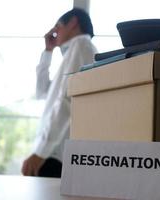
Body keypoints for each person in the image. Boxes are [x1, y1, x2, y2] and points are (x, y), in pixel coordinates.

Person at [21, 8, 98, 177]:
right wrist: (48, 52)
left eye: (58, 26)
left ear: (73, 23)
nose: (55, 31)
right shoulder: (74, 52)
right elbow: (42, 92)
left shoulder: (82, 45)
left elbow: (67, 100)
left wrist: (41, 151)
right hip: (53, 153)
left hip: (55, 155)